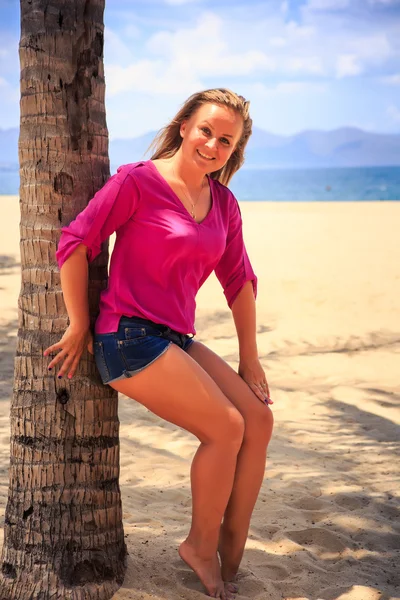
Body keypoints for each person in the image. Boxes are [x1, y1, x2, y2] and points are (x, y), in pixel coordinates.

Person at [44, 88, 274, 600]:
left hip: (174, 338)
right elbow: (76, 242)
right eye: (206, 131)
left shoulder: (223, 203)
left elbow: (240, 282)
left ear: (234, 151)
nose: (213, 145)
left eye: (226, 141)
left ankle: (231, 551)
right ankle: (199, 545)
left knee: (258, 419)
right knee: (226, 427)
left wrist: (250, 361)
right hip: (127, 338)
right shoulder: (137, 181)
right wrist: (78, 322)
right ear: (184, 127)